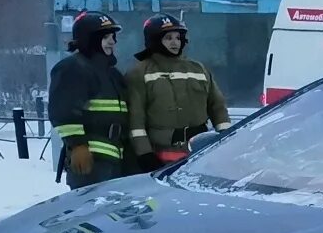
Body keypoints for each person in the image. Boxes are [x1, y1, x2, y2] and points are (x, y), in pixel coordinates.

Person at [125, 14, 229, 167]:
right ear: (155, 40)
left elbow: (218, 107)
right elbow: (135, 120)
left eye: (178, 38)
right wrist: (145, 154)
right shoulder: (139, 73)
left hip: (200, 151)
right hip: (160, 153)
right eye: (168, 38)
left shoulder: (199, 69)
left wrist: (226, 139)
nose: (175, 42)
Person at [49, 12, 130, 188]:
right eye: (106, 37)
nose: (112, 42)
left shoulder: (112, 73)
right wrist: (78, 146)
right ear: (89, 39)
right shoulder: (73, 68)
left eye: (113, 37)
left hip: (114, 157)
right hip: (91, 160)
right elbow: (63, 111)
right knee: (90, 213)